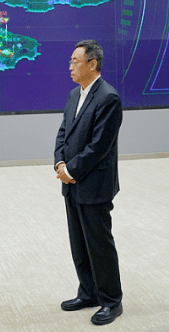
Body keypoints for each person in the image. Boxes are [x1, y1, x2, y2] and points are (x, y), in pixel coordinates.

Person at [54, 40, 123, 326]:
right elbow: (63, 134)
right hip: (71, 183)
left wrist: (71, 169)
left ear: (92, 64)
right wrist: (59, 163)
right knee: (79, 243)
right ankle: (89, 293)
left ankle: (111, 300)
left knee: (98, 244)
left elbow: (99, 147)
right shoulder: (74, 94)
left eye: (75, 61)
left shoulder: (108, 98)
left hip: (94, 185)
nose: (70, 66)